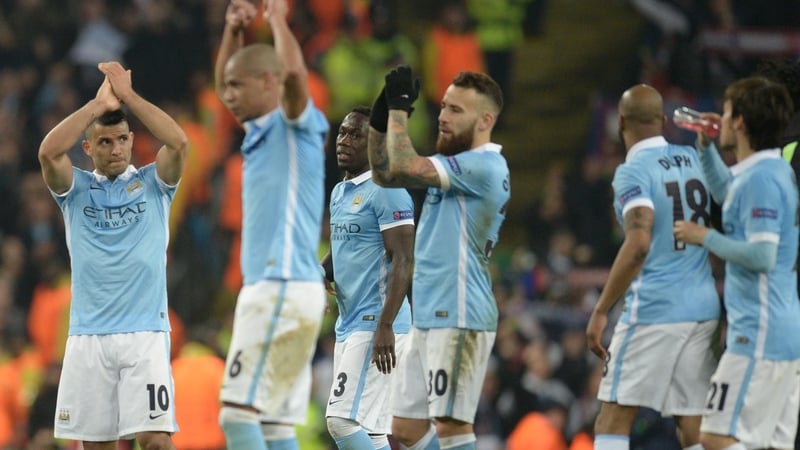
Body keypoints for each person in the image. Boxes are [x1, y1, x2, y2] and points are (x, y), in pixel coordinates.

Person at [38, 60, 188, 450]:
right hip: (89, 335)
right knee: (97, 446)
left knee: (155, 440)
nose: (116, 148)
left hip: (145, 333)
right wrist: (96, 105)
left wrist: (128, 97)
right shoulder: (76, 190)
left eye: (122, 139)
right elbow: (49, 153)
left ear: (132, 140)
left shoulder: (154, 184)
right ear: (88, 148)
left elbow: (178, 142)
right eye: (105, 141)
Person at [367, 66, 510, 450]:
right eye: (444, 106)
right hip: (430, 313)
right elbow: (384, 174)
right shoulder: (453, 168)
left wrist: (399, 107)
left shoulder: (484, 166)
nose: (444, 116)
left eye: (456, 110)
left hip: (460, 313)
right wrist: (382, 115)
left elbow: (400, 164)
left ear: (485, 120)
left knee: (451, 427)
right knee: (406, 431)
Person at [213, 1, 329, 449]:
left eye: (238, 86)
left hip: (277, 283)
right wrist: (233, 31)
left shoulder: (295, 124)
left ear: (269, 82)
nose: (229, 95)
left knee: (237, 415)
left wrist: (277, 21)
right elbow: (228, 79)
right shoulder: (262, 131)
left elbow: (295, 78)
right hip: (292, 286)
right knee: (276, 425)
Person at [584, 84, 721, 450]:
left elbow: (639, 243)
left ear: (621, 122)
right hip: (703, 306)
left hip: (655, 309)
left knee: (612, 418)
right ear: (663, 120)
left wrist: (601, 309)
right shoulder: (694, 158)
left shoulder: (632, 171)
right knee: (692, 424)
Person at [673, 75, 800, 450]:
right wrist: (704, 146)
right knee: (772, 444)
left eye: (727, 113)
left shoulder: (762, 180)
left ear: (740, 122)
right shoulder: (769, 172)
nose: (721, 119)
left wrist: (705, 238)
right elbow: (727, 193)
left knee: (713, 438)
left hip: (758, 334)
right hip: (783, 330)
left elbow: (763, 256)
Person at [320, 105, 415, 449]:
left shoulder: (387, 190)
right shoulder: (340, 191)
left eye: (356, 135)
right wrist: (320, 271)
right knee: (372, 431)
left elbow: (404, 258)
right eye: (343, 132)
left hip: (378, 322)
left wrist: (385, 326)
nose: (343, 140)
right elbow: (342, 248)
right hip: (350, 322)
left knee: (341, 422)